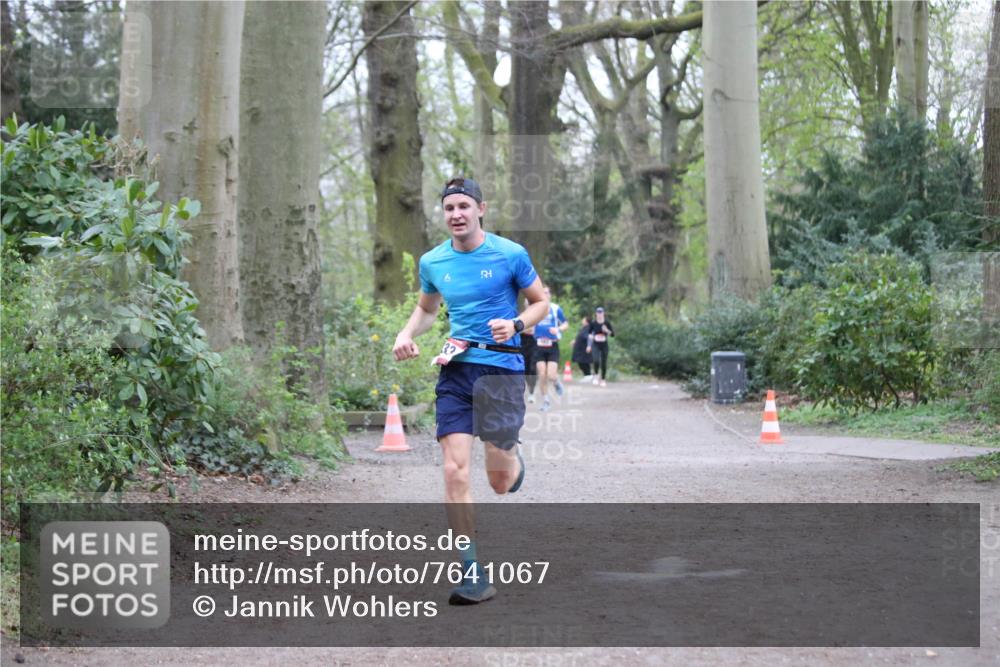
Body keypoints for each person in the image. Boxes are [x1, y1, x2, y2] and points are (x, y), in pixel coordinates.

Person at [392, 177, 549, 605]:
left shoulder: (509, 254)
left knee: (498, 481)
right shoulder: (433, 261)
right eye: (449, 208)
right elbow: (426, 309)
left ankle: (512, 462)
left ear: (481, 209)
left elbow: (540, 302)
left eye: (464, 206)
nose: (456, 214)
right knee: (453, 470)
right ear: (443, 214)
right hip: (456, 370)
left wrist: (517, 324)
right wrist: (406, 333)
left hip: (500, 370)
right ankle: (471, 572)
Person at [532, 285, 569, 412]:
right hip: (538, 346)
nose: (545, 294)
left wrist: (558, 329)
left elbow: (565, 324)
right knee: (542, 375)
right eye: (543, 292)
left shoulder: (555, 308)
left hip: (552, 345)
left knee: (551, 375)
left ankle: (557, 383)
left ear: (550, 294)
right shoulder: (535, 307)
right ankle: (546, 401)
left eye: (547, 292)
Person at [586, 306, 615, 387]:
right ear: (596, 314)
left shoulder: (607, 323)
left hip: (604, 345)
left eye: (601, 313)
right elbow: (589, 334)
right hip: (595, 344)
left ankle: (603, 379)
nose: (599, 314)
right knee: (596, 360)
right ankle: (596, 375)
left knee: (604, 362)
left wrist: (607, 331)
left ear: (603, 313)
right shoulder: (593, 323)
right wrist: (589, 345)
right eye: (598, 313)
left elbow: (613, 334)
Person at [521, 323, 539, 403]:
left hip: (534, 342)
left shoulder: (537, 312)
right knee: (525, 369)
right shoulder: (518, 312)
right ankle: (530, 388)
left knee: (532, 368)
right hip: (522, 342)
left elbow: (533, 330)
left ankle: (532, 392)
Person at [571, 316, 593, 381]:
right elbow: (580, 336)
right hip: (580, 349)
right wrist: (575, 341)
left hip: (584, 349)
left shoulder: (589, 328)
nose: (582, 320)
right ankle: (587, 375)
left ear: (586, 321)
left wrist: (589, 345)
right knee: (581, 361)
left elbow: (589, 337)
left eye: (583, 319)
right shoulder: (584, 328)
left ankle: (588, 375)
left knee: (584, 362)